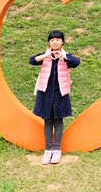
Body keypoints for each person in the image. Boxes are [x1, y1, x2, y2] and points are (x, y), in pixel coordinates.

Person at [30, 29, 80, 165]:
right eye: (52, 40)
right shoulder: (45, 55)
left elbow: (77, 62)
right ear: (49, 42)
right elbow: (32, 60)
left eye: (57, 39)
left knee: (58, 120)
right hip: (45, 92)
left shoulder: (66, 56)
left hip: (60, 93)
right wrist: (46, 56)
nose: (55, 42)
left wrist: (64, 55)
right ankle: (48, 150)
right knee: (47, 120)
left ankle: (57, 149)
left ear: (62, 42)